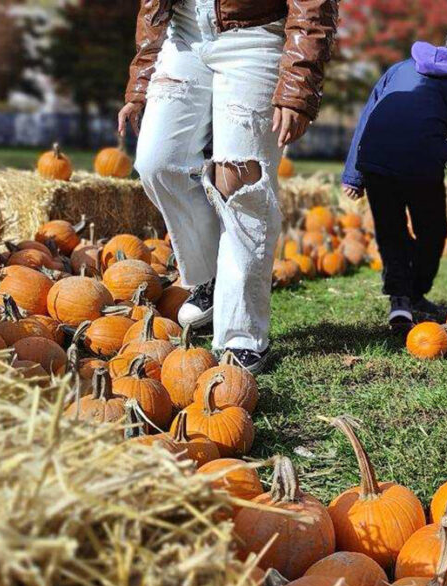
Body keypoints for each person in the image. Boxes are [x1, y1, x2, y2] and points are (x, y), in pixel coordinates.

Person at [117, 0, 338, 373]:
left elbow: (313, 4)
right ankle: (211, 277)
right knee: (157, 163)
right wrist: (141, 83)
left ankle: (242, 335)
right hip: (183, 35)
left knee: (241, 184)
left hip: (254, 39)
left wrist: (298, 85)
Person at [341, 24, 447, 328]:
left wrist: (353, 175)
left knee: (391, 231)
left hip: (376, 160)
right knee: (433, 232)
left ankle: (401, 301)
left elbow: (368, 116)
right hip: (421, 163)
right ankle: (414, 292)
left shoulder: (400, 68)